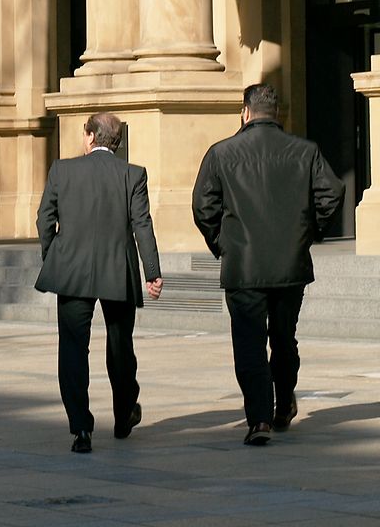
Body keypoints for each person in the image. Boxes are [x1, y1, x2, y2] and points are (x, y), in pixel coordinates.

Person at [192, 83, 344, 447]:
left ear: (245, 112)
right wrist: (310, 232)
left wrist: (222, 243)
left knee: (249, 343)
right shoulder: (305, 150)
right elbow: (332, 192)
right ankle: (283, 403)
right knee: (284, 338)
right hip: (289, 264)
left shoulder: (221, 152)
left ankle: (259, 418)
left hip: (243, 265)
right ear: (276, 113)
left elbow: (203, 206)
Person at [35, 112, 163, 454]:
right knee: (121, 345)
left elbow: (45, 218)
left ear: (91, 136)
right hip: (117, 270)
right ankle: (124, 414)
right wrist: (152, 271)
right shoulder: (133, 174)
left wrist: (52, 255)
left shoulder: (62, 170)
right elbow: (142, 224)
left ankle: (81, 428)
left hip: (72, 271)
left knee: (73, 348)